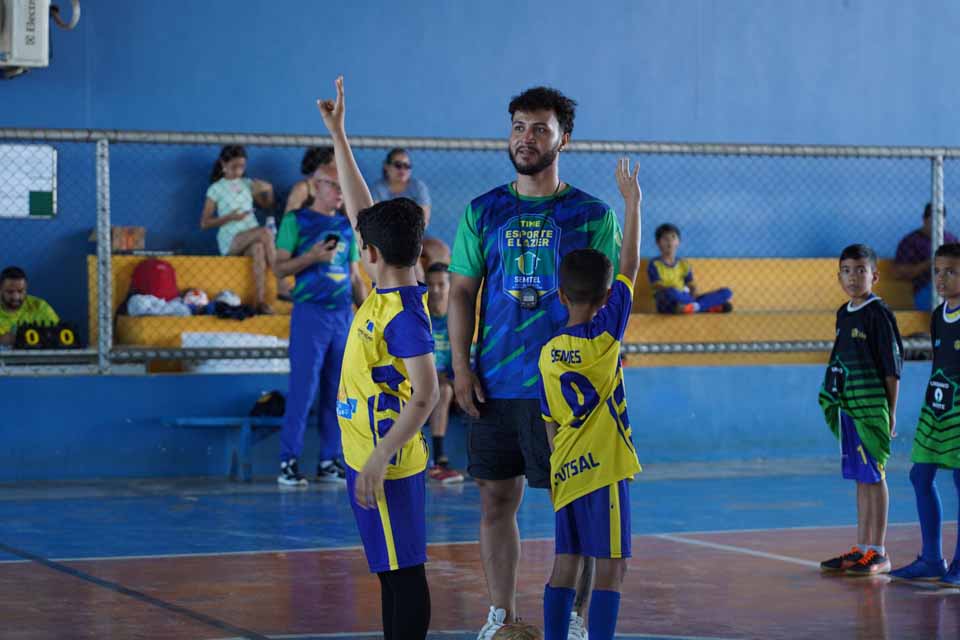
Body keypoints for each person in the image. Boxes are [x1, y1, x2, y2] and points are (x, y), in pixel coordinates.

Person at [448, 86, 622, 639]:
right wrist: (461, 366)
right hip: (495, 383)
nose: (527, 137)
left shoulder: (592, 214)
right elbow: (459, 294)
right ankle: (500, 615)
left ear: (563, 139)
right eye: (519, 126)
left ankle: (572, 618)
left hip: (563, 393)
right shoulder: (482, 211)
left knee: (576, 511)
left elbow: (612, 301)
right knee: (497, 499)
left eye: (540, 128)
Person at [320, 76, 437, 639]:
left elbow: (427, 393)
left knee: (404, 575)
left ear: (369, 254)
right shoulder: (386, 288)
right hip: (365, 453)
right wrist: (340, 135)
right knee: (390, 574)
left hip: (384, 461)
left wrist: (381, 456)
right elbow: (362, 212)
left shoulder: (404, 314)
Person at [540, 158, 642, 640]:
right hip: (603, 468)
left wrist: (560, 461)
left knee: (566, 561)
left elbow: (548, 420)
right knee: (611, 566)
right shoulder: (605, 339)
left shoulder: (547, 353)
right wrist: (632, 202)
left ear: (561, 295)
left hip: (565, 466)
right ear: (605, 301)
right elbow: (630, 266)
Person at [273, 152, 368, 487]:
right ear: (316, 185)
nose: (341, 192)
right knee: (303, 388)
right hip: (310, 314)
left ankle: (330, 458)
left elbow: (355, 276)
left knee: (336, 390)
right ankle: (289, 460)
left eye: (344, 186)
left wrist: (370, 312)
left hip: (341, 314)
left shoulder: (345, 225)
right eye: (334, 185)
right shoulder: (295, 222)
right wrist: (311, 257)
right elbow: (279, 268)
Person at [818, 243, 903, 576]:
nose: (853, 277)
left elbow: (891, 368)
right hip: (849, 407)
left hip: (871, 409)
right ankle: (862, 547)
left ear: (875, 276)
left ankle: (879, 551)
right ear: (839, 275)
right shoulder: (843, 313)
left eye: (860, 270)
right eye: (847, 270)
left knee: (875, 475)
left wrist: (890, 410)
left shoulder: (879, 314)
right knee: (860, 477)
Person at [889, 242, 960, 586]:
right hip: (937, 408)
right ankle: (932, 559)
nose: (942, 278)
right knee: (920, 476)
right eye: (938, 270)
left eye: (951, 271)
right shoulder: (937, 316)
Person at [199, 145, 277, 314]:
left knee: (258, 248)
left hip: (251, 235)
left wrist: (268, 190)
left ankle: (260, 301)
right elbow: (204, 223)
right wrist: (231, 218)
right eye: (234, 166)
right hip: (231, 239)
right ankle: (282, 280)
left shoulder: (248, 184)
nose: (238, 171)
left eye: (242, 167)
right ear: (223, 164)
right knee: (266, 232)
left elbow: (266, 206)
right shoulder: (216, 188)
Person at [425, 262, 464, 483]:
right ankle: (439, 461)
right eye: (430, 285)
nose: (436, 290)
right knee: (442, 389)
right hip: (422, 384)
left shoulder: (459, 317)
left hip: (453, 380)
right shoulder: (420, 317)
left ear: (450, 286)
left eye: (441, 284)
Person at [648, 223, 732, 314]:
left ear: (678, 242)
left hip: (686, 297)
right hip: (667, 299)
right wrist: (675, 291)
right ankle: (701, 306)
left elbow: (690, 284)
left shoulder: (683, 264)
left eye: (673, 237)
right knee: (670, 292)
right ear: (658, 243)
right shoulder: (654, 264)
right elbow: (657, 286)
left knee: (726, 292)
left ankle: (691, 307)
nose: (670, 241)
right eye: (665, 238)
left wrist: (693, 291)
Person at [894, 203, 957, 311]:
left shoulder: (951, 240)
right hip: (925, 289)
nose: (937, 225)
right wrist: (929, 263)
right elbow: (899, 273)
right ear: (924, 220)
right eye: (933, 221)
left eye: (940, 221)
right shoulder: (911, 241)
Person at [370, 148, 432, 227]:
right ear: (386, 166)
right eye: (398, 165)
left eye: (406, 166)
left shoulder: (418, 187)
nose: (402, 170)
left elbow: (424, 220)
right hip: (385, 236)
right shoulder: (378, 188)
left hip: (414, 235)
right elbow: (375, 220)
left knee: (435, 240)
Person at [0, 266, 59, 347]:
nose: (16, 297)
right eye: (10, 292)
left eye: (20, 291)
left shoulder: (39, 306)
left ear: (26, 289)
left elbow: (58, 333)